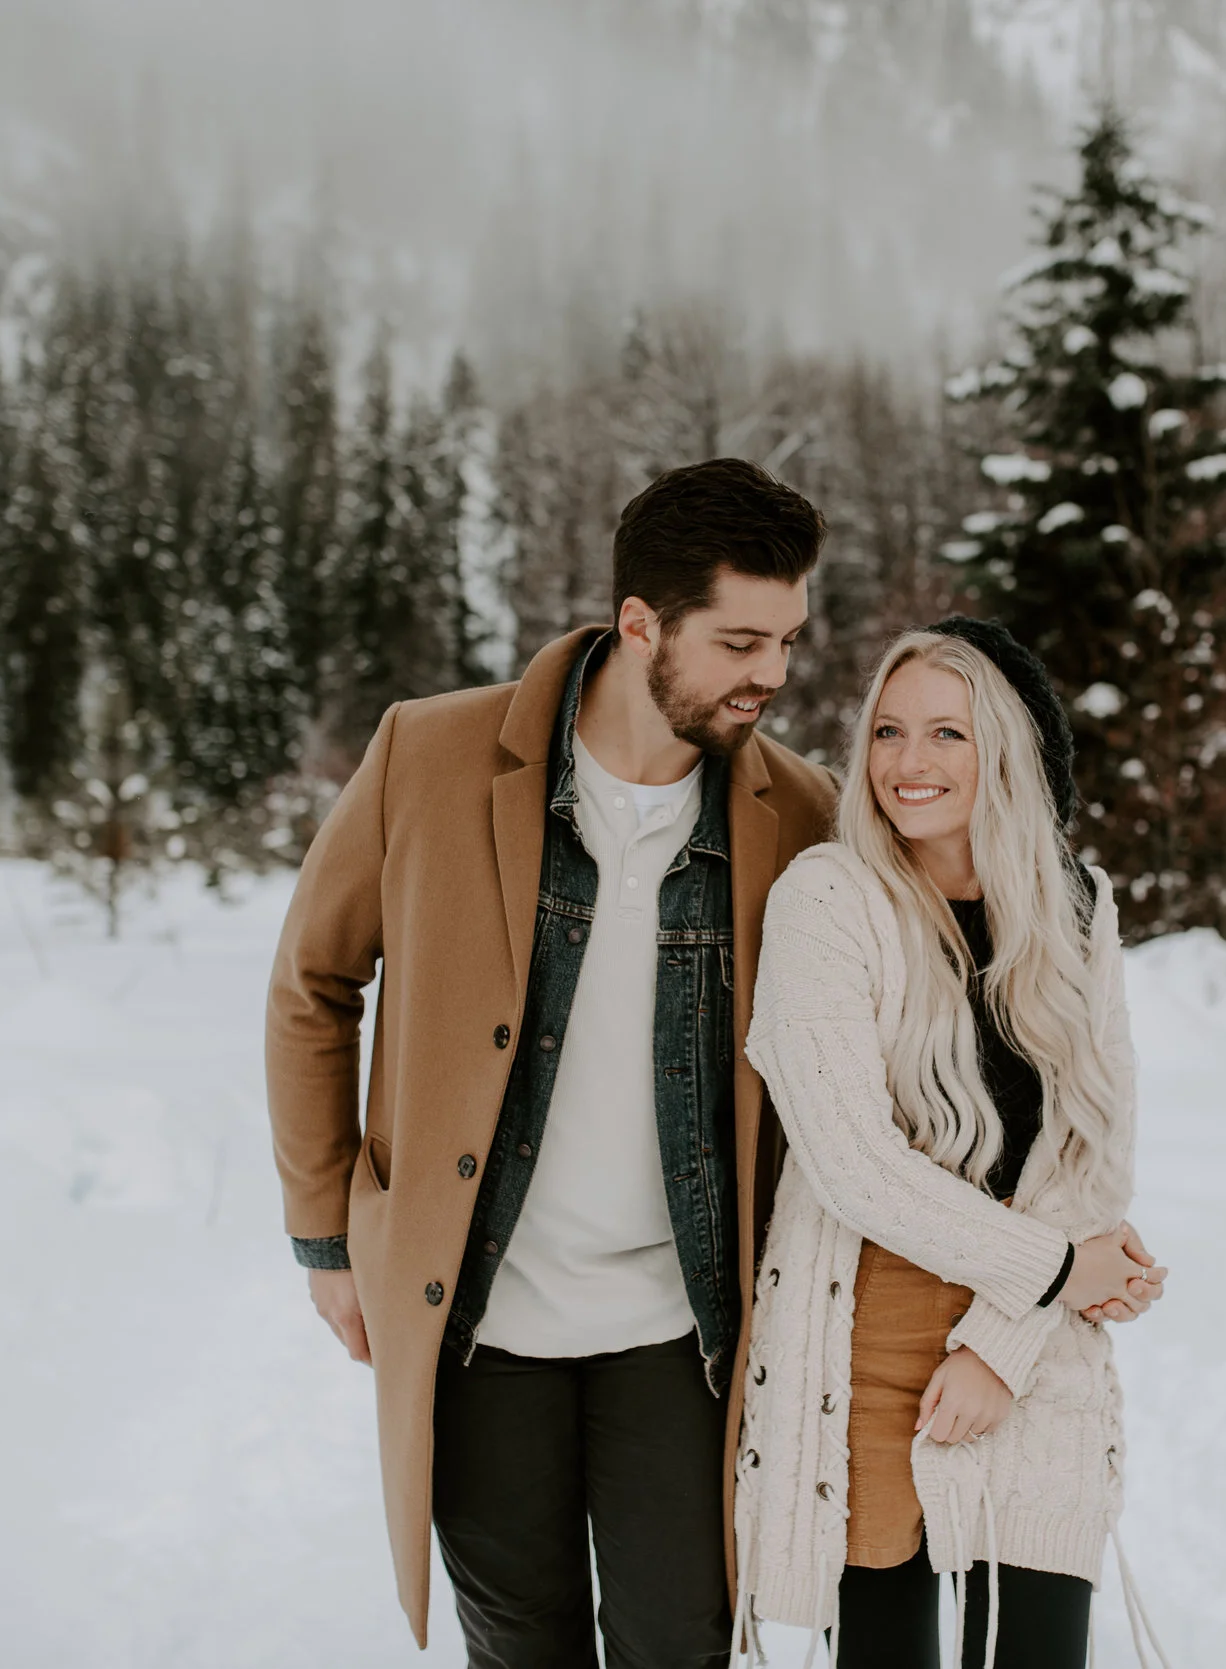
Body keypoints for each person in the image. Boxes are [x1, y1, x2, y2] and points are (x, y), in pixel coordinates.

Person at [262, 458, 839, 1667]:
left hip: (683, 1333)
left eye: (787, 640)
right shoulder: (427, 754)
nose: (774, 675)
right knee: (521, 1647)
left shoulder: (802, 815)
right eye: (740, 642)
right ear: (641, 624)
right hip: (477, 1318)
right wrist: (326, 1237)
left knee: (682, 1646)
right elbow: (313, 983)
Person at [735, 618, 1168, 1668]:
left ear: (1005, 750)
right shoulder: (827, 898)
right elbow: (852, 1163)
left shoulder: (1076, 905)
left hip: (1031, 1337)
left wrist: (999, 1344)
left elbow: (1095, 1146)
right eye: (887, 732)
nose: (907, 762)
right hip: (869, 1328)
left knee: (1038, 1644)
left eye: (946, 733)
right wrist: (1061, 1267)